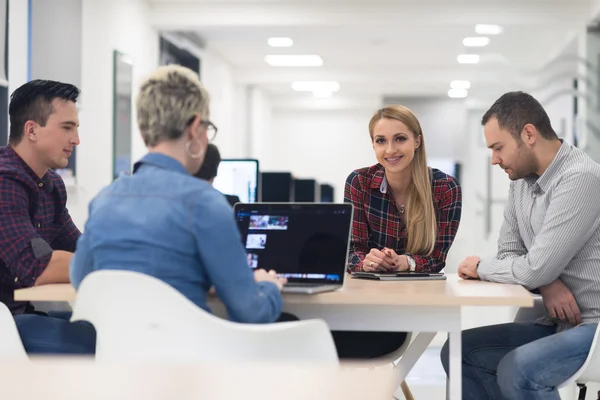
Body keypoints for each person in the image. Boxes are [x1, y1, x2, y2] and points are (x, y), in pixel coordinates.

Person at [69, 65, 287, 326]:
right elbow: (252, 313)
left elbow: (81, 279)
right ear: (195, 127)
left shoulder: (104, 200)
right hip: (190, 361)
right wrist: (269, 286)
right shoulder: (205, 203)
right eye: (206, 127)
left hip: (118, 360)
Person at [440, 91, 600, 400]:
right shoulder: (520, 184)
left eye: (498, 147)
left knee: (520, 369)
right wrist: (547, 281)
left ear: (528, 134)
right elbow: (510, 254)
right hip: (556, 321)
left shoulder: (581, 178)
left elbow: (532, 267)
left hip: (592, 325)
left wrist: (480, 266)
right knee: (459, 351)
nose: (494, 159)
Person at [335, 104, 462, 358]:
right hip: (360, 305)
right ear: (373, 145)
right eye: (381, 141)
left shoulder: (445, 188)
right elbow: (351, 253)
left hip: (411, 306)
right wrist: (368, 261)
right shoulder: (359, 183)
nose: (390, 150)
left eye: (400, 139)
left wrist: (404, 262)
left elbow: (436, 259)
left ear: (417, 141)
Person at [0, 79, 96, 354]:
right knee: (103, 345)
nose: (76, 140)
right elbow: (38, 267)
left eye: (76, 128)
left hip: (19, 316)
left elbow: (79, 248)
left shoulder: (50, 184)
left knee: (113, 329)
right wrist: (112, 259)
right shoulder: (5, 181)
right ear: (31, 130)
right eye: (67, 127)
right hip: (4, 324)